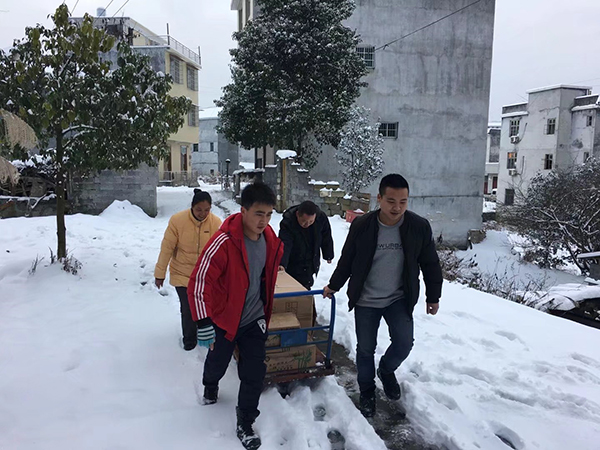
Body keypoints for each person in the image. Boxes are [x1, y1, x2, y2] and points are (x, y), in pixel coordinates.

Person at [323, 174, 443, 418]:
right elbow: (348, 259)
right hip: (366, 299)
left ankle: (386, 370)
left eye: (403, 201)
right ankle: (367, 391)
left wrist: (433, 296)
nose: (397, 207)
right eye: (391, 201)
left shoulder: (418, 227)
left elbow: (430, 263)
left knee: (404, 343)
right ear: (379, 198)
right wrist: (334, 285)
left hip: (398, 298)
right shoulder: (362, 225)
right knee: (365, 349)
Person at [187, 182, 283, 450]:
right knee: (217, 363)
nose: (264, 221)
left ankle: (245, 422)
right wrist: (203, 321)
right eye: (258, 214)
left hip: (254, 319)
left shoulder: (270, 240)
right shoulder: (224, 242)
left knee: (254, 372)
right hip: (224, 320)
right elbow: (199, 281)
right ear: (243, 211)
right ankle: (210, 384)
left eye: (269, 214)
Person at [154, 189, 222, 351]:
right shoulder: (177, 221)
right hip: (182, 273)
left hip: (205, 275)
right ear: (192, 206)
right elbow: (167, 248)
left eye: (207, 210)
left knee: (207, 306)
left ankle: (207, 333)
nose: (203, 214)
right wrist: (159, 274)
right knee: (188, 308)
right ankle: (189, 339)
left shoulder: (215, 223)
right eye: (199, 210)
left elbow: (221, 251)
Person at [278, 200, 334, 289]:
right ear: (297, 214)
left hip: (311, 256)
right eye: (304, 221)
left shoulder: (320, 218)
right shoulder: (288, 222)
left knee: (306, 281)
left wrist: (328, 254)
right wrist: (282, 263)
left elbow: (326, 236)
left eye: (311, 221)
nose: (307, 224)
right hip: (293, 258)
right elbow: (285, 243)